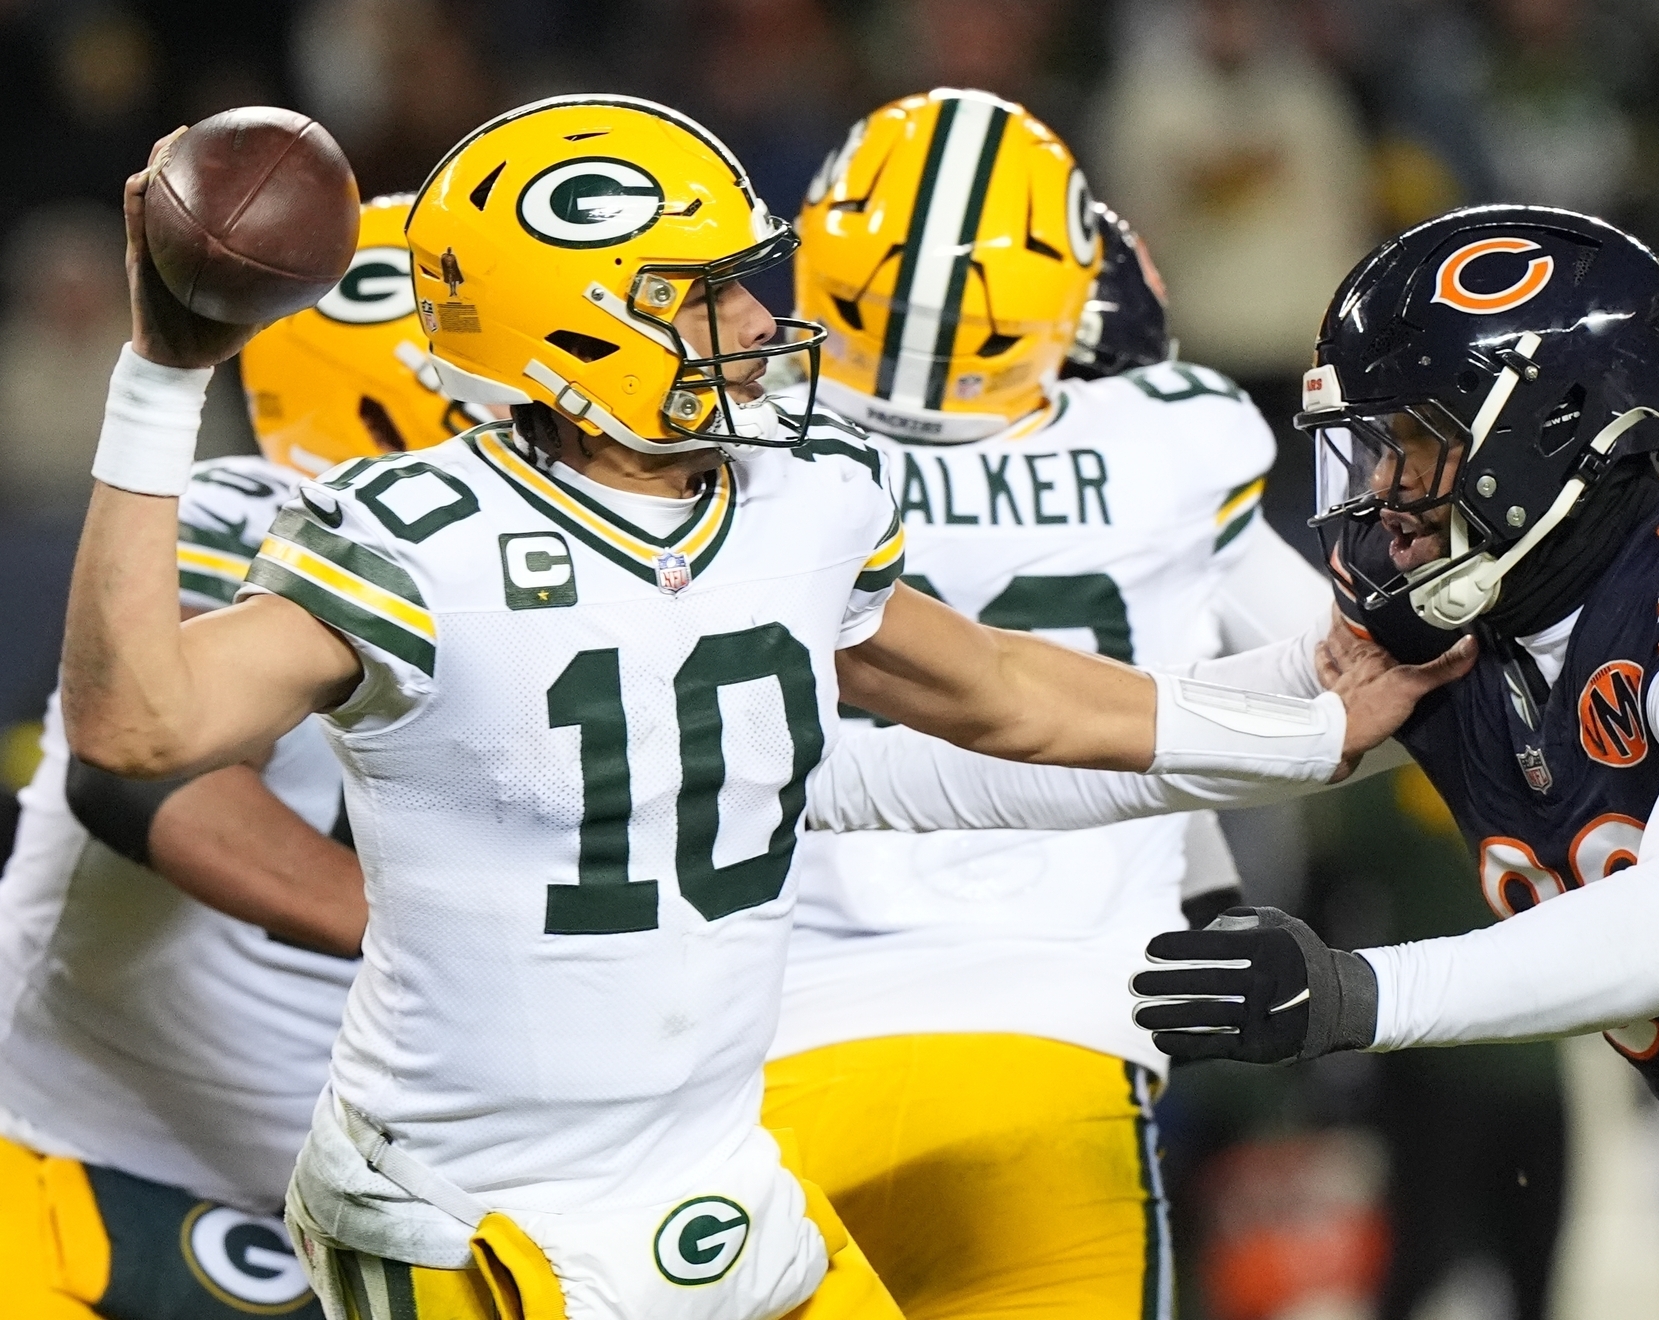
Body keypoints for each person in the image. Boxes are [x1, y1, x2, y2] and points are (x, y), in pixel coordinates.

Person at [65, 97, 1462, 1320]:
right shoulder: (410, 536)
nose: (755, 320)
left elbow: (1007, 694)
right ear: (573, 325)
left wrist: (1304, 727)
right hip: (471, 1204)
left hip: (718, 1176)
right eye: (704, 291)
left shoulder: (797, 501)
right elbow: (140, 731)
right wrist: (162, 379)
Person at [1130, 204, 1659, 1318]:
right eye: (1375, 450)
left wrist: (1354, 993)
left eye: (1417, 445)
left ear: (1548, 432)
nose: (1384, 494)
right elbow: (1145, 738)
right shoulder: (1456, 633)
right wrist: (846, 757)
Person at [763, 88, 1333, 1320]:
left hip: (752, 1051)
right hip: (1059, 1035)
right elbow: (1327, 695)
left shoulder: (736, 442)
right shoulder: (1180, 440)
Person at [0, 194, 463, 1320]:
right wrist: (472, 937)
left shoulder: (584, 573)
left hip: (379, 1218)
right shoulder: (244, 515)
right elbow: (146, 766)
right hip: (76, 1170)